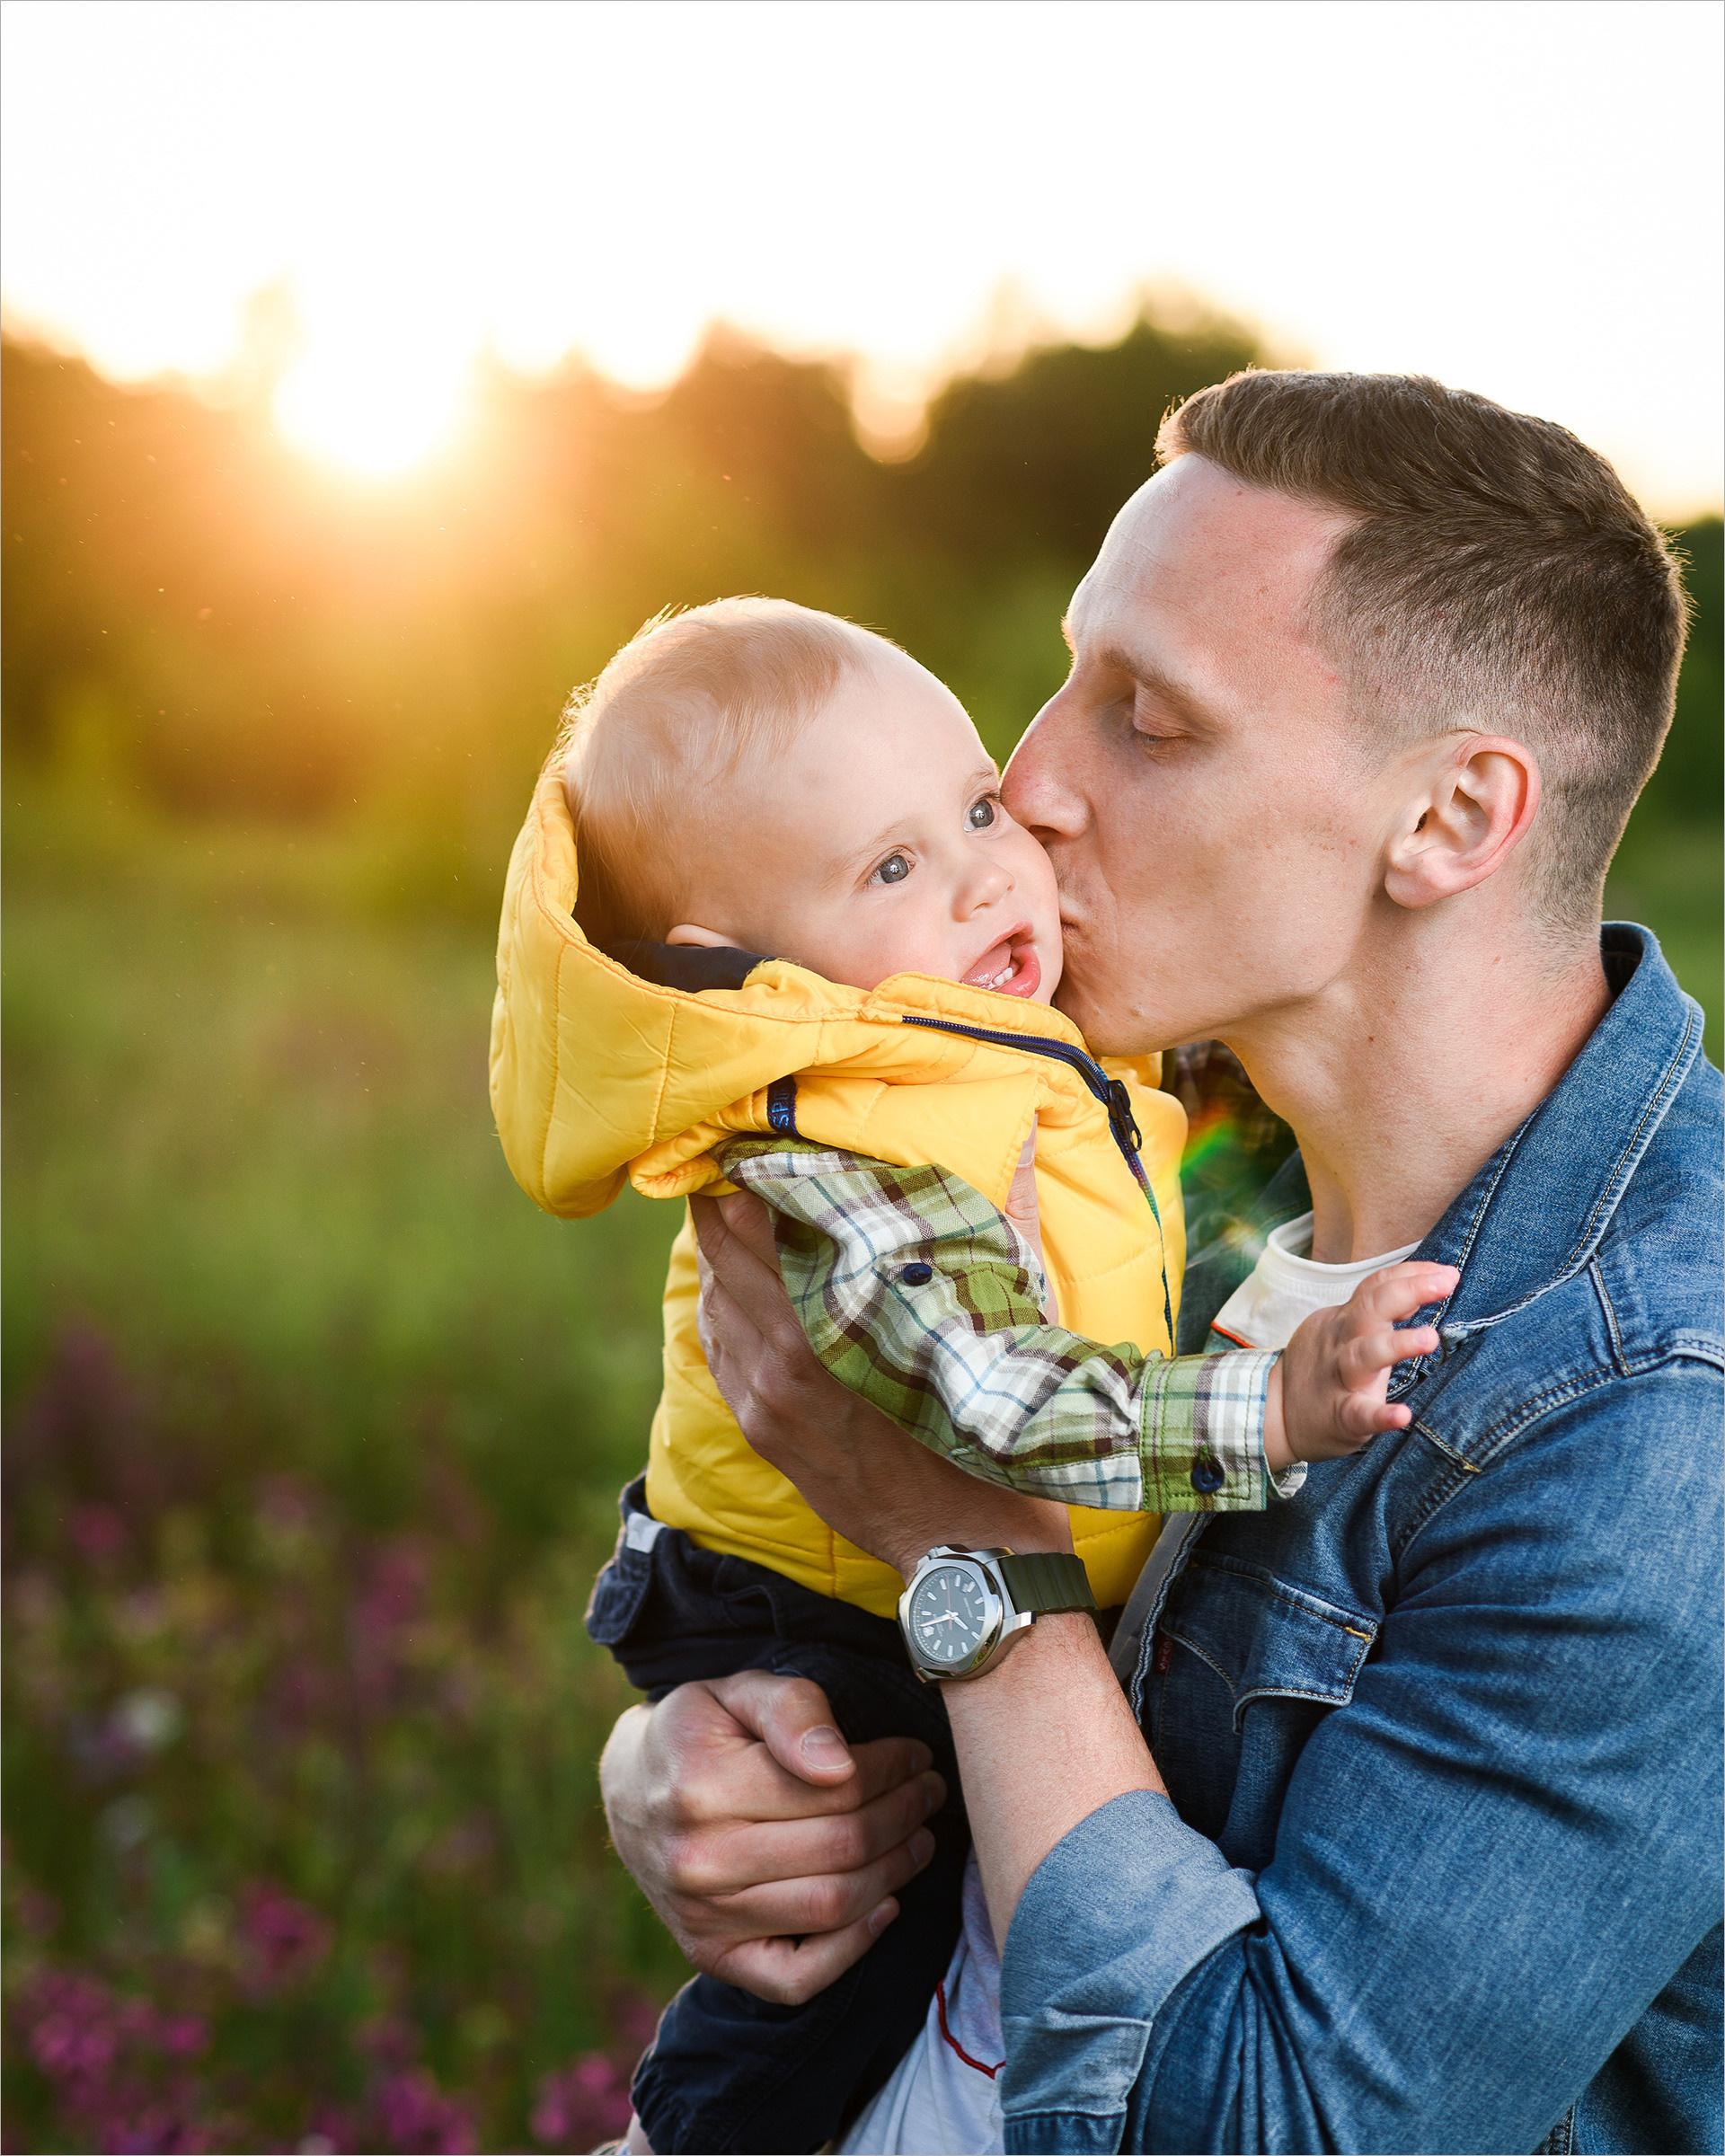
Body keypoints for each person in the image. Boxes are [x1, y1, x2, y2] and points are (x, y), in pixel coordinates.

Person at [598, 370, 1724, 2154]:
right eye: (1062, 676)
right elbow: (795, 1521)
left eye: (1150, 718)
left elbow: (1270, 2127)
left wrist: (970, 1555)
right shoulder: (1147, 1155)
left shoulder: (1657, 1416)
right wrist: (699, 1759)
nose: (1027, 783)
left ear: (1449, 821)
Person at [489, 596, 1448, 2152]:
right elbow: (992, 1396)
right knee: (826, 1994)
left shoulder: (1001, 1045)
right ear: (743, 968)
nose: (1007, 856)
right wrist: (1262, 1412)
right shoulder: (852, 1144)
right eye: (891, 866)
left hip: (898, 1610)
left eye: (974, 808)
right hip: (821, 1625)